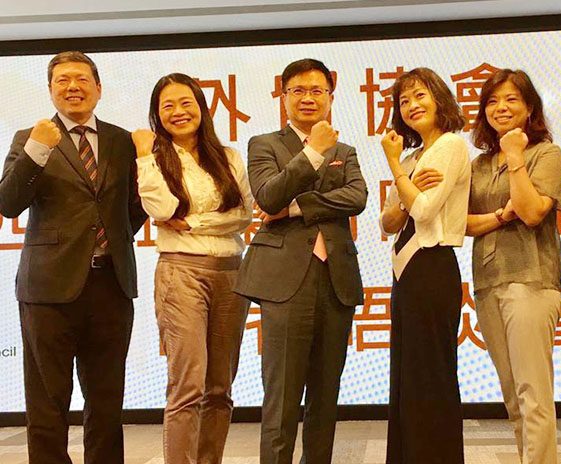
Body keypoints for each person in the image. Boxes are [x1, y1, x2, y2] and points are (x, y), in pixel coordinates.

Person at [0, 51, 147, 464]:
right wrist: (35, 150)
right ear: (50, 90)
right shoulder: (30, 137)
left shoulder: (122, 141)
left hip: (111, 285)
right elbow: (8, 203)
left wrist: (109, 241)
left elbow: (134, 208)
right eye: (62, 80)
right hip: (47, 288)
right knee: (47, 402)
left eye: (81, 79)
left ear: (98, 88)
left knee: (106, 401)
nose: (72, 87)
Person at [234, 58, 367, 464]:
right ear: (284, 96)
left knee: (326, 395)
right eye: (299, 91)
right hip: (284, 283)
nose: (308, 98)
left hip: (336, 279)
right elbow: (269, 195)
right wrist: (312, 151)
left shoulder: (346, 150)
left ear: (330, 97)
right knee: (282, 395)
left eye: (317, 91)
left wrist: (297, 207)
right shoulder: (263, 144)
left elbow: (357, 197)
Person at [132, 73, 253, 464]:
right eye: (167, 106)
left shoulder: (228, 156)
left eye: (186, 103)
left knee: (220, 387)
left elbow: (243, 215)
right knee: (188, 385)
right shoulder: (156, 159)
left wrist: (194, 222)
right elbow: (162, 209)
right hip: (181, 273)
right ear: (157, 114)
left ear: (202, 107)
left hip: (231, 272)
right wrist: (144, 154)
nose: (178, 112)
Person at [467, 69, 561, 464]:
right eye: (492, 101)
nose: (501, 108)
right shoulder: (478, 164)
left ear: (530, 108)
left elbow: (530, 212)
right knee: (513, 396)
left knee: (533, 395)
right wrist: (499, 215)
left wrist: (514, 156)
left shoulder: (546, 154)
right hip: (487, 282)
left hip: (531, 280)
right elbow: (461, 223)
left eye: (511, 99)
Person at [379, 67, 469, 464]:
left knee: (431, 376)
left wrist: (397, 171)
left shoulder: (451, 145)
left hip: (432, 266)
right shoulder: (414, 157)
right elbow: (388, 221)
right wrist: (407, 182)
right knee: (407, 376)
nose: (412, 105)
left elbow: (426, 211)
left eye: (420, 96)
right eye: (404, 101)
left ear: (439, 99)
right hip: (405, 273)